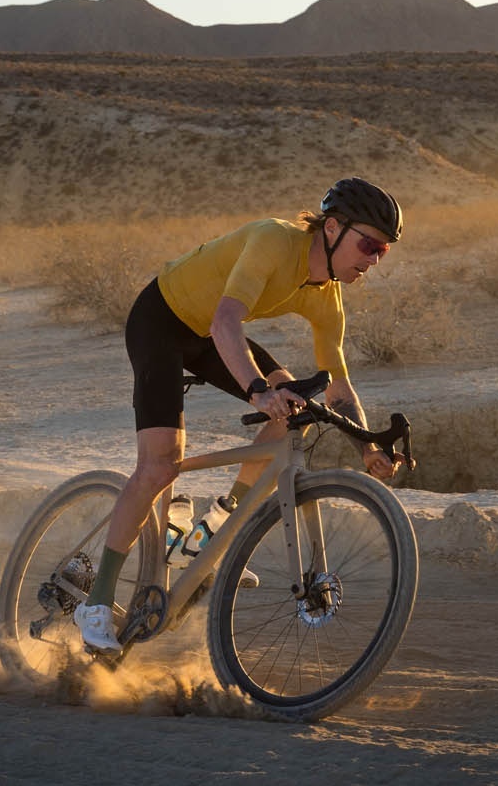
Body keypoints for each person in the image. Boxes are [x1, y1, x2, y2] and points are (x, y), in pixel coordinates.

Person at [73, 177, 404, 653]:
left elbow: (337, 385)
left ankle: (215, 526)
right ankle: (97, 603)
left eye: (383, 252)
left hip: (207, 336)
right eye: (369, 245)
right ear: (332, 228)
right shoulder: (275, 240)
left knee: (296, 407)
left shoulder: (327, 295)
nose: (373, 260)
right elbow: (225, 320)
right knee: (160, 465)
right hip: (161, 320)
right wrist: (256, 391)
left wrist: (368, 447)